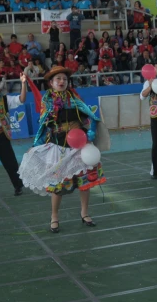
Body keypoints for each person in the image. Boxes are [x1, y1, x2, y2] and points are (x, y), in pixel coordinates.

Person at [18, 66, 109, 233]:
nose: (62, 82)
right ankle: (54, 217)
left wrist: (90, 132)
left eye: (64, 79)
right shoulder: (48, 100)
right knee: (57, 186)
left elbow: (91, 117)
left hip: (80, 146)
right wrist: (36, 144)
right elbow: (44, 124)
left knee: (85, 182)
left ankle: (85, 213)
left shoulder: (74, 97)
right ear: (51, 83)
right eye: (58, 79)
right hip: (58, 146)